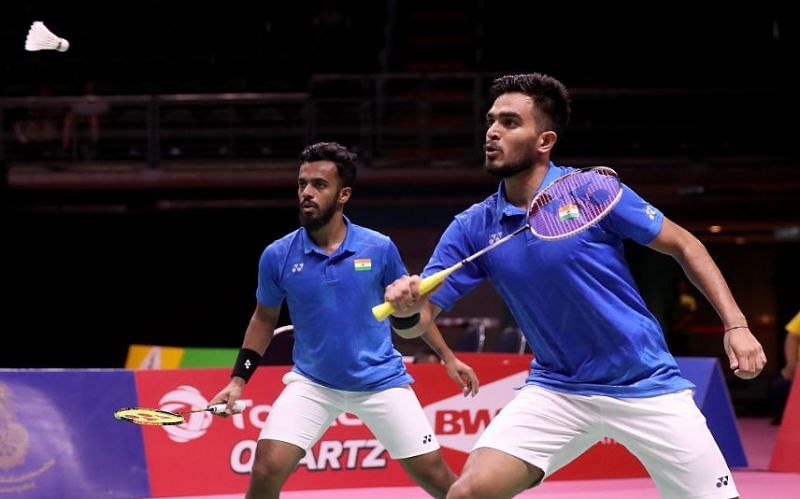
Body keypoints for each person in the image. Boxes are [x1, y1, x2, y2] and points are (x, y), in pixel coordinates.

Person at [383, 73, 766, 499]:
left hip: (644, 383)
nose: (491, 131)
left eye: (510, 122)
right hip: (557, 388)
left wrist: (736, 324)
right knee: (468, 492)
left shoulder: (590, 192)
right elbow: (419, 321)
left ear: (544, 140)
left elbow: (685, 245)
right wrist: (404, 310)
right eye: (490, 120)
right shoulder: (474, 226)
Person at [209, 141, 479, 499]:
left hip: (381, 381)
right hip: (314, 384)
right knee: (265, 468)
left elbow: (412, 310)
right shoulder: (278, 255)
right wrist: (237, 380)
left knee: (438, 477)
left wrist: (448, 356)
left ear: (343, 194)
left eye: (319, 185)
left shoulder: (378, 248)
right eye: (302, 183)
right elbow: (263, 319)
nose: (307, 192)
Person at [772, 310, 800, 424]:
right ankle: (784, 420)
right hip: (799, 367)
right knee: (780, 385)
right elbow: (792, 337)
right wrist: (791, 364)